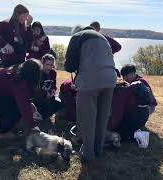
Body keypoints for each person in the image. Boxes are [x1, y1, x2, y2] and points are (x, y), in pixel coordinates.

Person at [65, 25, 117, 161]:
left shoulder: (76, 37)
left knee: (87, 118)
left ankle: (88, 154)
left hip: (90, 81)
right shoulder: (102, 38)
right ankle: (98, 150)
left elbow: (69, 65)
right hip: (111, 79)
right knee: (101, 117)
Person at [0, 59, 42, 138]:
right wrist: (34, 126)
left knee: (15, 105)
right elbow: (23, 107)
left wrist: (33, 108)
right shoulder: (20, 81)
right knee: (16, 109)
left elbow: (23, 98)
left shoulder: (17, 72)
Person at [108, 64, 157, 148]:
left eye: (125, 75)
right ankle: (135, 128)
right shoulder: (140, 82)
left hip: (144, 110)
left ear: (132, 74)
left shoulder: (136, 84)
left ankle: (135, 133)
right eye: (123, 76)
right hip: (145, 110)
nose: (124, 78)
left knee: (121, 131)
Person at [33, 54, 62, 120]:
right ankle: (37, 114)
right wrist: (45, 94)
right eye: (47, 64)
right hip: (38, 97)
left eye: (51, 65)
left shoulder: (53, 73)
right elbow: (35, 89)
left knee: (59, 103)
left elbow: (53, 85)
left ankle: (44, 116)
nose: (49, 67)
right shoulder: (38, 73)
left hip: (49, 95)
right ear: (42, 64)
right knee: (44, 101)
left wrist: (53, 90)